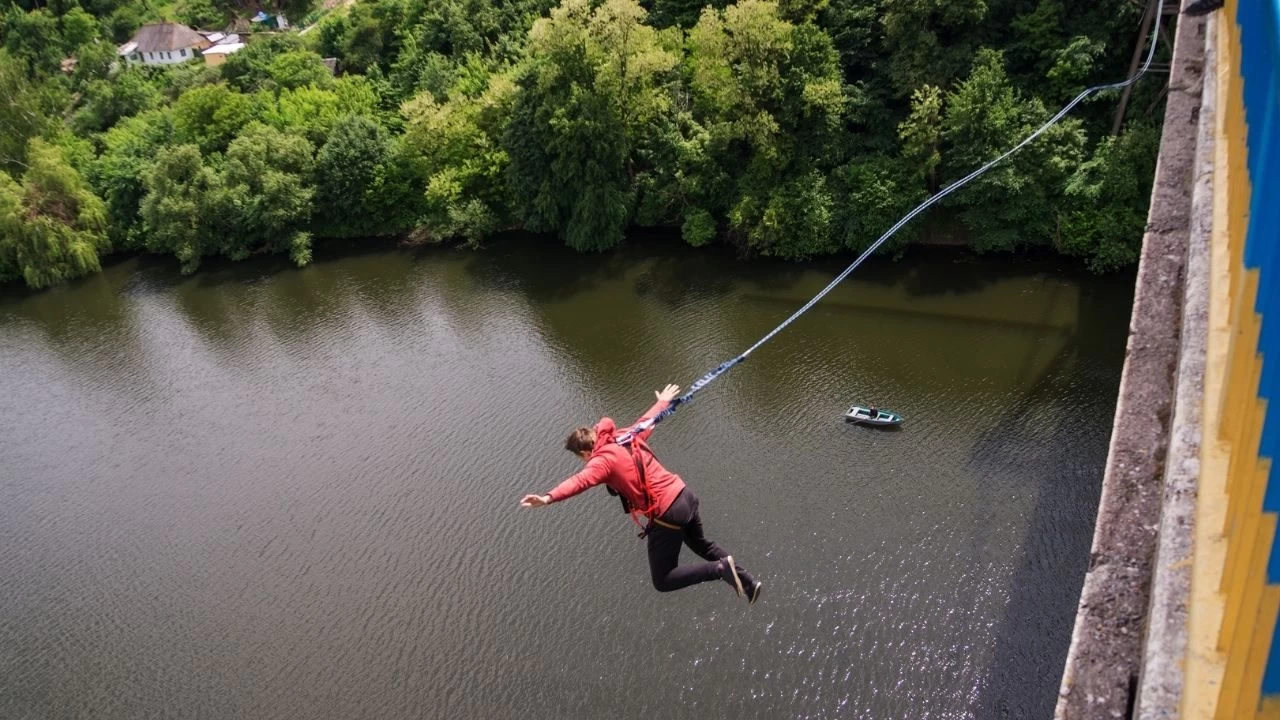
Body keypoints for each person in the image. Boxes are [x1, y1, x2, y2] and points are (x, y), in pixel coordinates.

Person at [520, 383, 762, 603]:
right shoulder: (625, 435)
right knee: (701, 545)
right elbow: (650, 419)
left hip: (666, 512)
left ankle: (719, 570)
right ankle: (748, 582)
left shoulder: (601, 461)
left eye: (582, 458)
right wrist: (663, 401)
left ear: (584, 453)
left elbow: (579, 481)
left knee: (663, 579)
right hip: (685, 495)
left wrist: (548, 497)